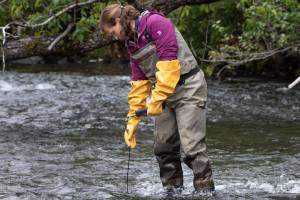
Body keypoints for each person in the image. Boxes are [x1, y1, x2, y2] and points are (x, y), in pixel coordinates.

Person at [100, 4, 215, 193]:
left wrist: (157, 100)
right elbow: (139, 81)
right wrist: (132, 118)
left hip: (189, 88)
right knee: (163, 148)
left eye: (112, 31)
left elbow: (169, 65)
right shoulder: (131, 42)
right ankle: (173, 192)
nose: (113, 36)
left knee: (191, 148)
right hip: (163, 95)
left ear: (119, 21)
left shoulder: (155, 23)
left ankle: (205, 192)